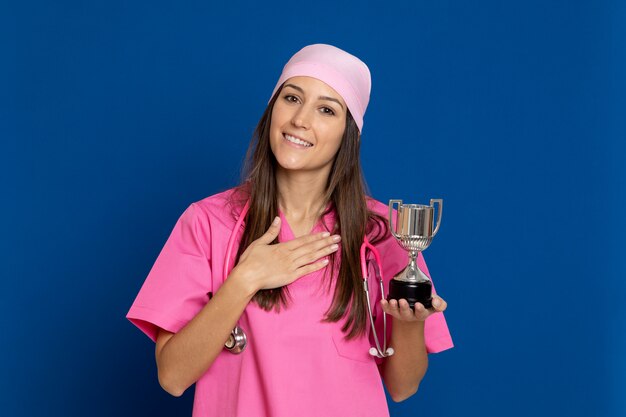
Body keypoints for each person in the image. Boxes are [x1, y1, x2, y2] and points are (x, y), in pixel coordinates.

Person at [127, 44, 453, 417]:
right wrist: (244, 280)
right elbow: (172, 376)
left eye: (326, 109)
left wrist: (409, 326)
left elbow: (403, 387)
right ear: (271, 111)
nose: (300, 119)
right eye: (292, 98)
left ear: (349, 134)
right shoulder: (207, 222)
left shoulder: (381, 233)